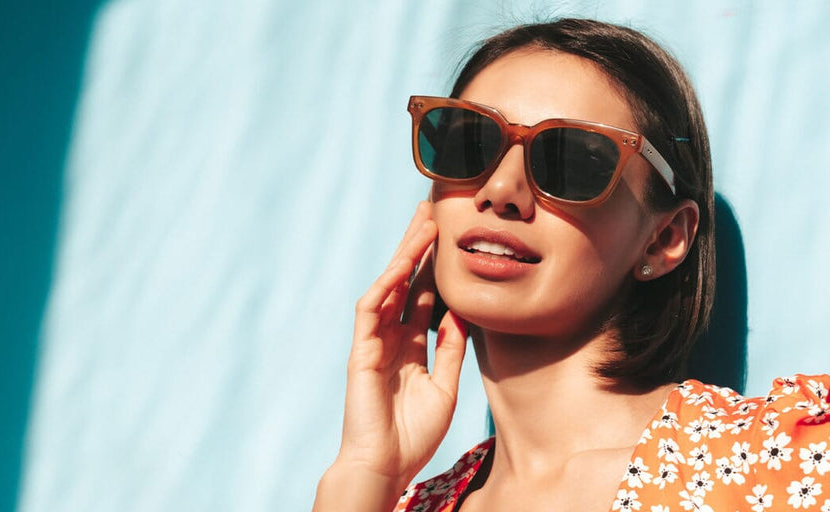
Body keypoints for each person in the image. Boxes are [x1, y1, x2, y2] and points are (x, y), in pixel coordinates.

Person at [312, 18, 830, 512]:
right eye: (470, 143)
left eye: (573, 161)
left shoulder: (786, 458)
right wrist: (366, 471)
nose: (500, 191)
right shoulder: (401, 503)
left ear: (663, 238)